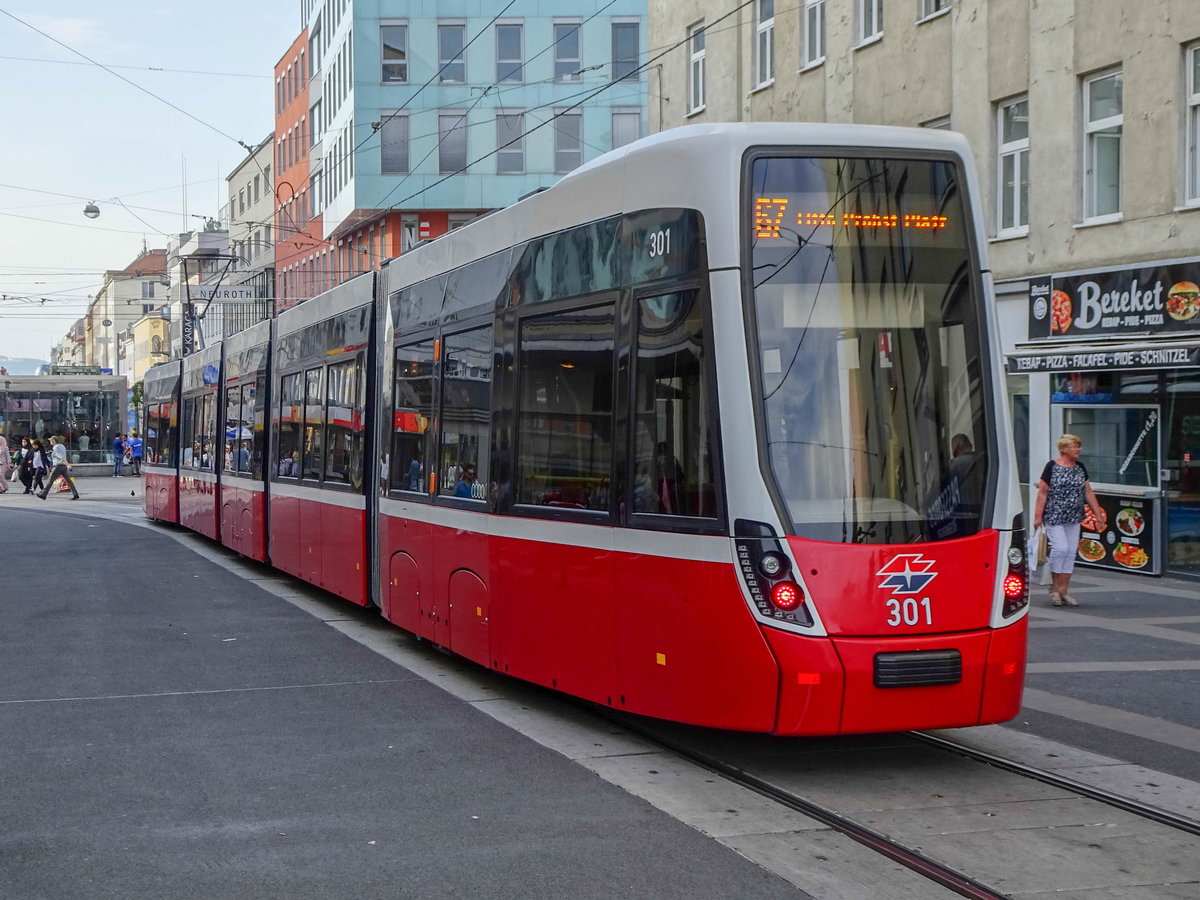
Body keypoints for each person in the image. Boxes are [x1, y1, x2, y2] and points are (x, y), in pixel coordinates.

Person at [1034, 433, 1106, 607]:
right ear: (1064, 449)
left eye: (1078, 446)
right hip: (1054, 515)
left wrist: (1098, 515)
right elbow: (1042, 492)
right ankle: (1054, 587)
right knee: (1061, 549)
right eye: (1074, 446)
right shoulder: (1052, 466)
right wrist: (1037, 516)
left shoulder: (1080, 467)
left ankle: (1063, 590)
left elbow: (1088, 492)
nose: (1078, 449)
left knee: (1071, 551)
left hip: (1074, 516)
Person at [38, 435, 79, 500]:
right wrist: (66, 464)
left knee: (50, 480)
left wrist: (68, 464)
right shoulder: (62, 446)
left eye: (51, 440)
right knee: (68, 480)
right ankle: (75, 494)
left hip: (58, 465)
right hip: (63, 466)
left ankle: (43, 494)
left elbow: (61, 456)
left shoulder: (55, 447)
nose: (50, 442)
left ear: (54, 441)